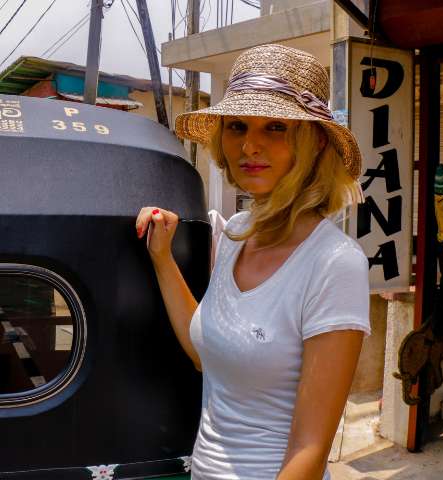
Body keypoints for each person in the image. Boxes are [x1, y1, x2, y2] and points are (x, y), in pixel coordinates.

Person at [135, 45, 370, 480]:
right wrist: (162, 257)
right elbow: (204, 353)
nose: (250, 144)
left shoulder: (334, 263)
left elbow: (310, 450)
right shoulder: (236, 233)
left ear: (315, 142)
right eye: (237, 126)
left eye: (276, 127)